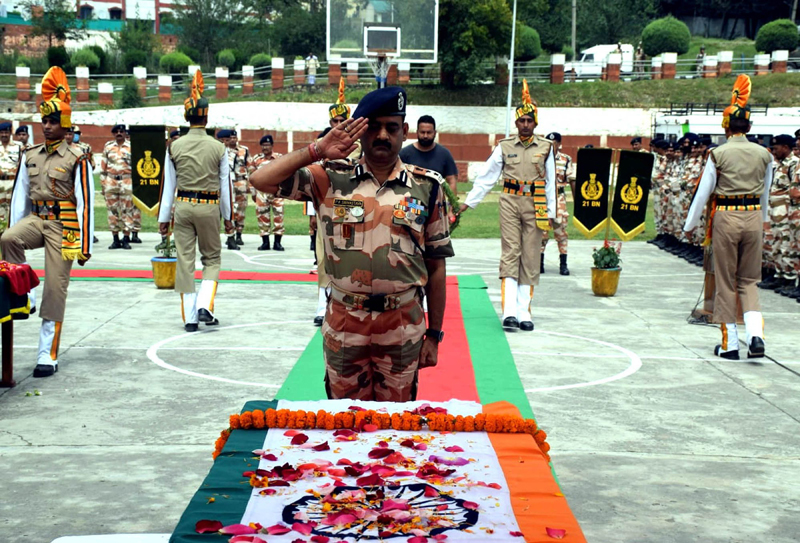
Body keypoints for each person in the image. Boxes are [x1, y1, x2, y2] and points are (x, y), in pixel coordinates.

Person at [250, 86, 453, 402]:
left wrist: (434, 336)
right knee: (344, 426)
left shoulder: (426, 186)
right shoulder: (331, 177)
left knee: (397, 430)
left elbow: (437, 267)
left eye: (392, 127)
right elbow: (261, 180)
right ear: (359, 131)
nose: (382, 135)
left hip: (402, 325)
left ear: (405, 131)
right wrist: (316, 150)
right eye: (373, 126)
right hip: (346, 324)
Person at [0, 67, 94, 377]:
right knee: (7, 239)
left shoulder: (77, 156)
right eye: (44, 120)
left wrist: (84, 243)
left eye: (53, 121)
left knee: (56, 289)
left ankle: (47, 354)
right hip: (37, 219)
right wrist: (15, 226)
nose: (47, 126)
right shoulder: (31, 154)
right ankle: (24, 293)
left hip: (64, 227)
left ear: (65, 125)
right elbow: (20, 199)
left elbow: (87, 202)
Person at [684, 75, 773, 360]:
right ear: (748, 126)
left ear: (727, 127)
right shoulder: (764, 154)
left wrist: (690, 225)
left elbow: (703, 193)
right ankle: (756, 334)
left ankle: (730, 344)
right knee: (749, 281)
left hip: (726, 215)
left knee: (725, 281)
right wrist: (764, 221)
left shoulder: (717, 153)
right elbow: (766, 194)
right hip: (753, 216)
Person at [459, 80, 555, 332]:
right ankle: (510, 312)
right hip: (510, 201)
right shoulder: (504, 147)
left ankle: (525, 312)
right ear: (516, 123)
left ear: (535, 123)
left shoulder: (546, 148)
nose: (525, 125)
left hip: (537, 204)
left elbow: (551, 183)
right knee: (511, 251)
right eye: (521, 121)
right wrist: (469, 202)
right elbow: (487, 176)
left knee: (531, 254)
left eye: (529, 121)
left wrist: (552, 214)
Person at [158, 69, 233, 333]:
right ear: (206, 116)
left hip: (183, 206)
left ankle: (190, 318)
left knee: (185, 261)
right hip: (209, 206)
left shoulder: (174, 146)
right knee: (212, 259)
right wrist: (229, 216)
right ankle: (205, 304)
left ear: (186, 117)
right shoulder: (219, 147)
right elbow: (225, 185)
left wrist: (163, 219)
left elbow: (168, 186)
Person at [760, 134, 798, 296]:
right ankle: (780, 275)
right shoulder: (779, 165)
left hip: (787, 213)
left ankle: (790, 278)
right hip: (775, 213)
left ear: (785, 147)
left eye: (776, 148)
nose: (774, 151)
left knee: (788, 246)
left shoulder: (794, 164)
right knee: (775, 245)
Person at [399, 115, 458, 195]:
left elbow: (452, 181)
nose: (425, 136)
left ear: (435, 133)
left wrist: (452, 204)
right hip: (410, 204)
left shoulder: (444, 154)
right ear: (417, 132)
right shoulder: (404, 154)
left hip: (436, 204)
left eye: (429, 132)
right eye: (422, 132)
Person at [542, 132, 574, 275]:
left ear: (559, 144)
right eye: (548, 143)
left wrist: (576, 199)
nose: (551, 146)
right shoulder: (539, 159)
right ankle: (539, 263)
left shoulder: (565, 159)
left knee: (561, 231)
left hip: (559, 197)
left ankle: (563, 264)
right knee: (542, 232)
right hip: (542, 198)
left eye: (554, 143)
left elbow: (572, 179)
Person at [101, 124, 134, 250]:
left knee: (127, 210)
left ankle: (126, 238)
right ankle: (115, 239)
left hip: (126, 180)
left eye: (121, 131)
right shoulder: (108, 147)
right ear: (113, 134)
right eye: (116, 132)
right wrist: (103, 183)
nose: (119, 133)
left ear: (125, 133)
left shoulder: (131, 147)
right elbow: (103, 167)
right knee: (112, 210)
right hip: (111, 180)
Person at [249, 135, 284, 251]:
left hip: (276, 191)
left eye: (267, 145)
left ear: (272, 146)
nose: (265, 147)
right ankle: (265, 242)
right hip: (261, 192)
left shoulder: (279, 158)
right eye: (263, 145)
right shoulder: (256, 159)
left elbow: (286, 173)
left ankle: (277, 243)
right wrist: (253, 192)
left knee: (278, 216)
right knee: (263, 216)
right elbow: (251, 176)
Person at [224, 128, 251, 250]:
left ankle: (239, 235)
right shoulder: (223, 150)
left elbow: (249, 167)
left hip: (241, 181)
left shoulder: (244, 151)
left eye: (235, 138)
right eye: (230, 138)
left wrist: (250, 185)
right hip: (228, 182)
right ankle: (230, 234)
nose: (233, 140)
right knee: (230, 209)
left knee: (241, 209)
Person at [0, 121, 22, 231]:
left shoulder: (18, 147)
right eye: (2, 132)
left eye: (6, 132)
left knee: (12, 210)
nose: (4, 135)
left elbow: (22, 164)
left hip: (12, 184)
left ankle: (10, 235)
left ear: (10, 133)